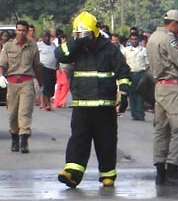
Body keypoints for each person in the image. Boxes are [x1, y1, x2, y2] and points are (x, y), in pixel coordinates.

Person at [55, 11, 131, 188]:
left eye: (86, 35)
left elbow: (123, 72)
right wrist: (76, 41)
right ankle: (72, 173)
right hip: (82, 103)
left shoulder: (110, 49)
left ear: (95, 32)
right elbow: (60, 55)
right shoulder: (77, 48)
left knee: (106, 141)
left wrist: (124, 94)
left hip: (104, 105)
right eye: (80, 35)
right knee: (78, 139)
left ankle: (107, 174)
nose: (85, 39)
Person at [146, 9, 178, 185]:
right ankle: (172, 169)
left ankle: (160, 171)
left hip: (159, 87)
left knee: (161, 130)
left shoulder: (152, 38)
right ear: (173, 23)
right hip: (171, 89)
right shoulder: (168, 38)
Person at [0, 20, 43, 154]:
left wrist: (39, 83)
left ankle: (24, 141)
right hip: (12, 82)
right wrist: (1, 76)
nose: (21, 33)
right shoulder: (8, 46)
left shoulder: (33, 46)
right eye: (19, 30)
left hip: (27, 82)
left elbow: (37, 66)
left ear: (26, 31)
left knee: (24, 112)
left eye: (24, 30)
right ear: (16, 31)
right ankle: (14, 138)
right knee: (13, 113)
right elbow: (2, 64)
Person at [121, 32, 149, 121]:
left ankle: (140, 113)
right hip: (130, 74)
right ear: (130, 40)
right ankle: (134, 114)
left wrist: (145, 72)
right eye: (132, 39)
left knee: (140, 95)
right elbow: (122, 61)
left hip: (140, 74)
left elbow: (148, 64)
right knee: (131, 94)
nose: (134, 41)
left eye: (135, 39)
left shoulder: (144, 50)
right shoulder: (126, 50)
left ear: (139, 40)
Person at [37, 30, 58, 111]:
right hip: (43, 67)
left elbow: (56, 55)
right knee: (46, 85)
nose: (47, 38)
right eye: (45, 36)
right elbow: (34, 55)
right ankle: (47, 104)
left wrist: (57, 63)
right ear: (42, 37)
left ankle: (44, 103)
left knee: (51, 85)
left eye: (48, 36)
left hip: (52, 68)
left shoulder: (53, 45)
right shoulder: (39, 45)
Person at [53, 33, 72, 108]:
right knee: (64, 85)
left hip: (62, 68)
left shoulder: (59, 47)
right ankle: (60, 102)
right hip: (62, 68)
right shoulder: (61, 48)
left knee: (60, 86)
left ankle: (58, 102)